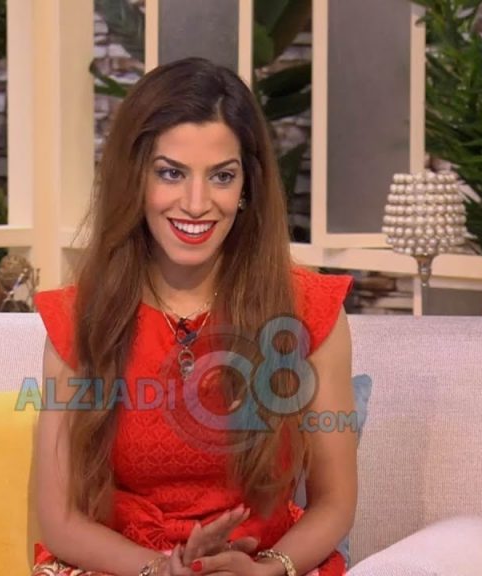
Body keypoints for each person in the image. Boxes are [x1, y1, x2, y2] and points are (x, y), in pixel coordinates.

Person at [31, 57, 357, 576]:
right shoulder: (79, 320)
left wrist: (268, 569)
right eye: (171, 173)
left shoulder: (308, 311)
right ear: (135, 180)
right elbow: (60, 520)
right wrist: (160, 569)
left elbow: (335, 502)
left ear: (247, 186)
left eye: (222, 176)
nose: (197, 203)